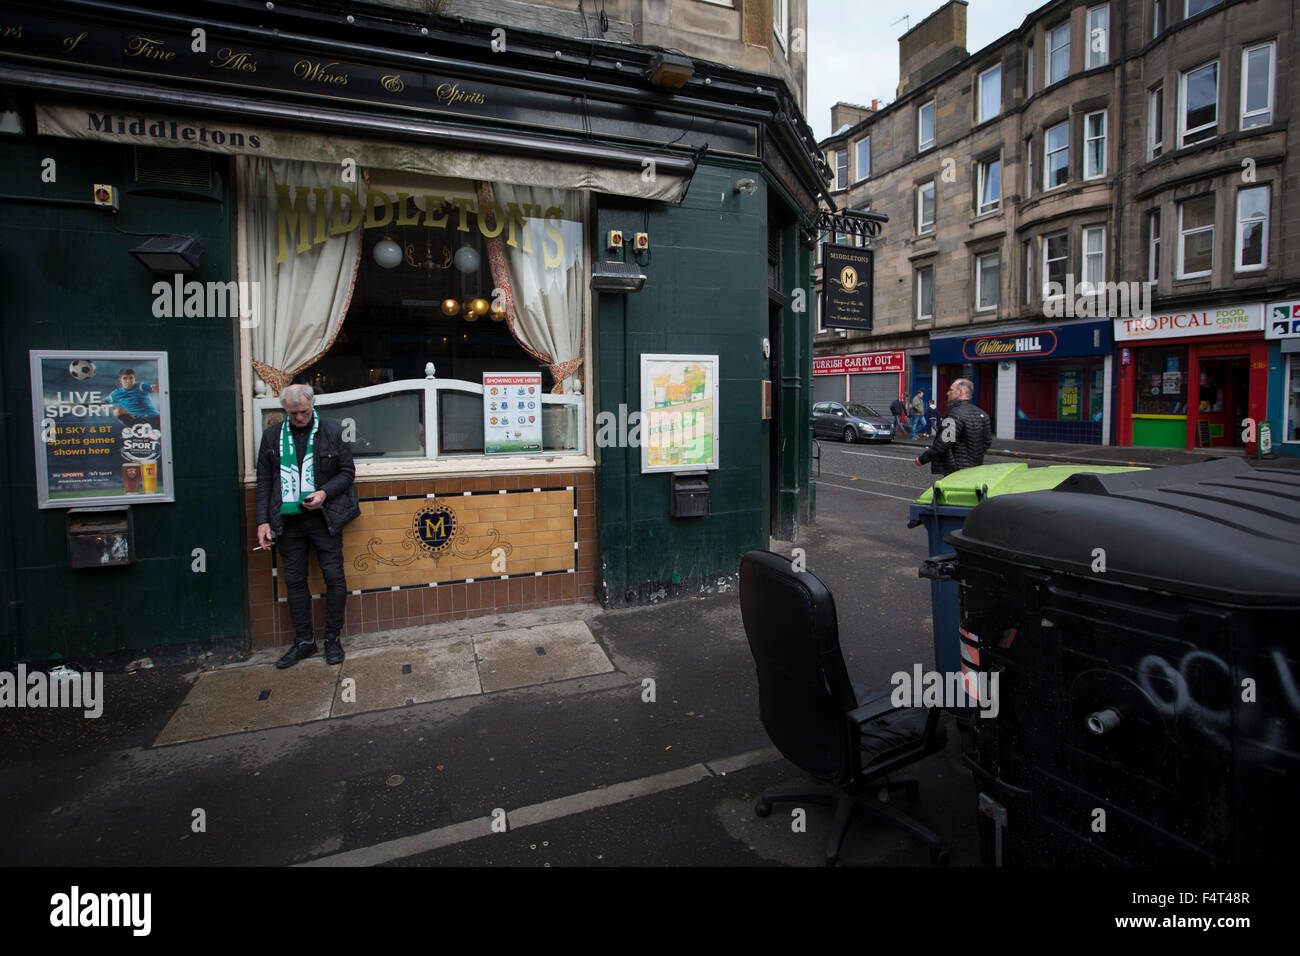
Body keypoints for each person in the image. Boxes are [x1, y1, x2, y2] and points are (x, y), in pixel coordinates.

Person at [256, 383, 360, 668]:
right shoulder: (272, 437)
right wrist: (263, 521)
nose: (299, 418)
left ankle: (331, 639)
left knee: (334, 577)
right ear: (285, 411)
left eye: (303, 412)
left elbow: (348, 471)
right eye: (293, 414)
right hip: (288, 522)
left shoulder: (331, 432)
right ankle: (303, 641)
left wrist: (324, 493)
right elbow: (264, 481)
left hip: (324, 519)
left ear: (312, 405)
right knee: (294, 580)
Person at [914, 379, 992, 477]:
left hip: (955, 471)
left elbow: (942, 444)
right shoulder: (983, 415)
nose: (947, 393)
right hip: (975, 469)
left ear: (960, 392)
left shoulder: (953, 415)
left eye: (951, 390)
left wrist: (922, 459)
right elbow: (987, 442)